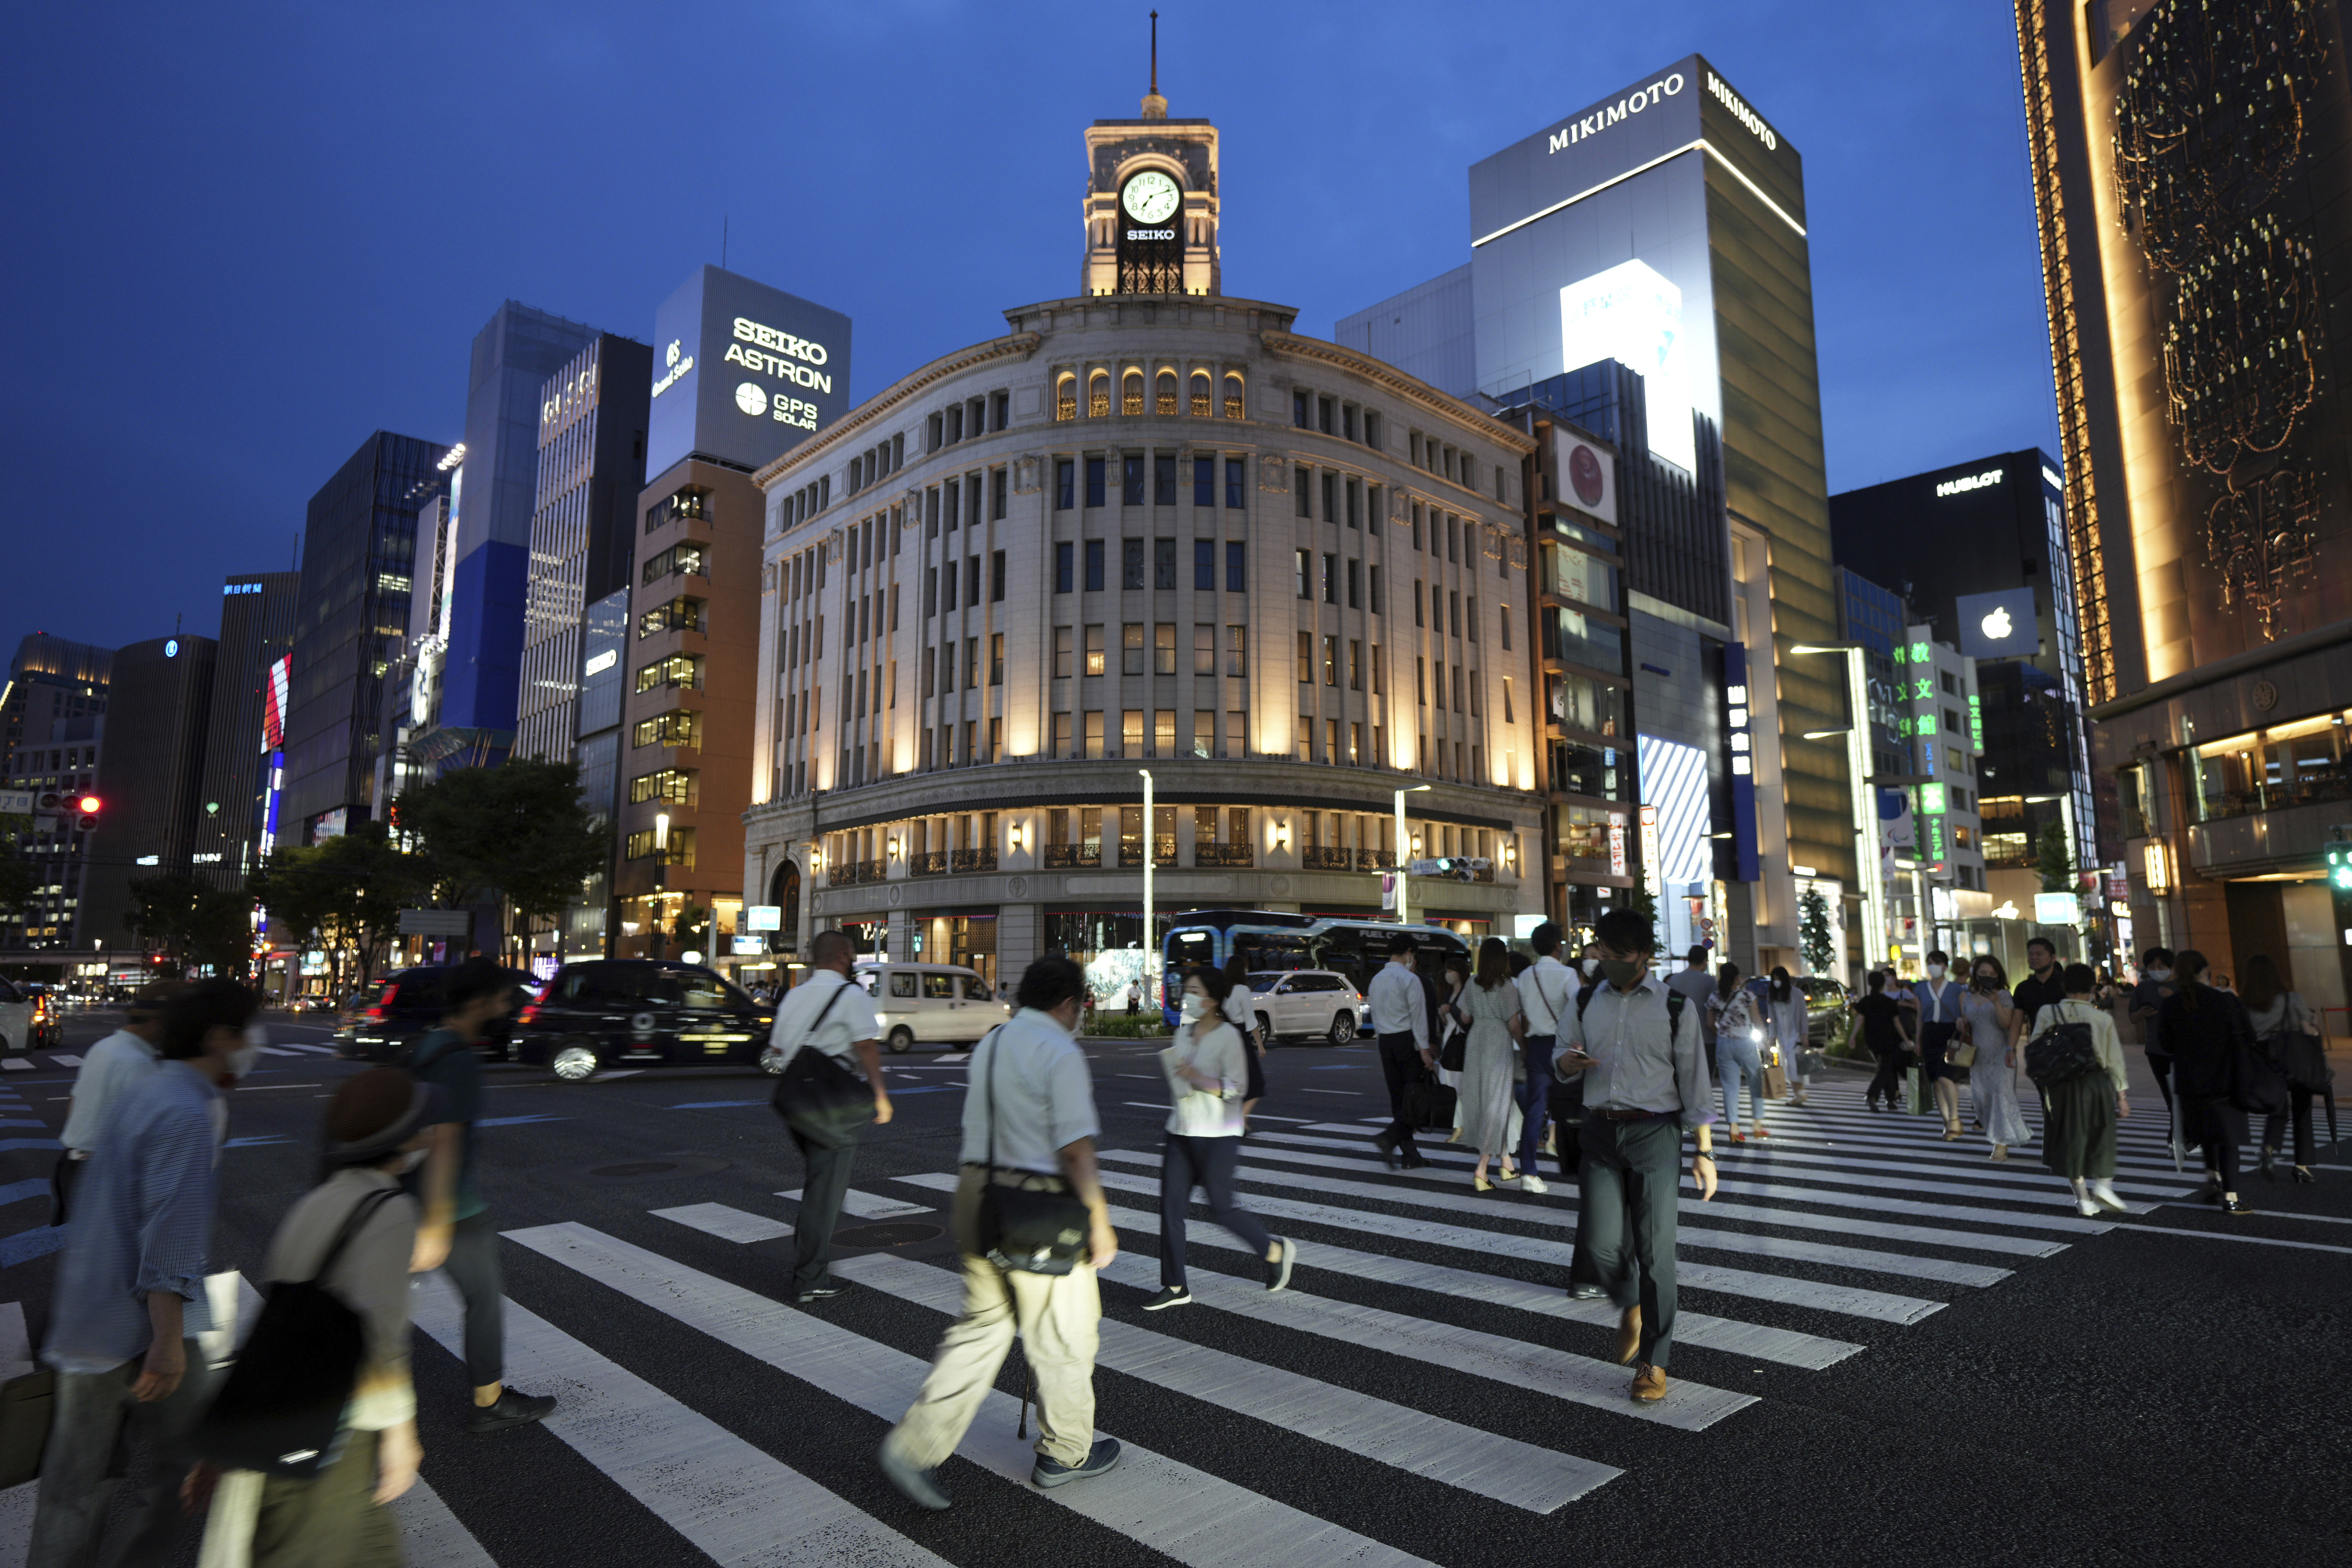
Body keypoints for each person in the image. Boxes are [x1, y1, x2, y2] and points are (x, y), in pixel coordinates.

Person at [31, 979, 259, 1568]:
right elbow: (170, 1233)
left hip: (88, 1313)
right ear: (219, 1037)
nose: (252, 1042)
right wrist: (166, 1343)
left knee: (76, 1483)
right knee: (185, 1459)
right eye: (245, 1030)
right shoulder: (189, 1109)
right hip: (146, 1326)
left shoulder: (147, 1087)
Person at [877, 956, 1120, 1508]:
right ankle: (1065, 1452)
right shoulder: (1059, 1051)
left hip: (974, 1194)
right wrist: (1100, 1226)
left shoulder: (992, 1044)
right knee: (1065, 1333)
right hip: (1036, 1205)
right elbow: (1077, 1150)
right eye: (1080, 1006)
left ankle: (914, 1448)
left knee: (983, 1326)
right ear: (1068, 1004)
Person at [202, 1069, 443, 1565]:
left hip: (285, 1413)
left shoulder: (316, 1201)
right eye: (423, 1124)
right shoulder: (390, 1210)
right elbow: (383, 1340)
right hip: (331, 1430)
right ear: (403, 1138)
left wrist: (223, 1441)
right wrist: (402, 1436)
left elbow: (274, 1322)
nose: (432, 1134)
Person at [1553, 909, 1715, 1404]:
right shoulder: (1584, 999)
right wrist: (1568, 1062)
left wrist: (1704, 1152)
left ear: (1645, 955)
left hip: (1656, 1135)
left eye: (1621, 955)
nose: (1610, 962)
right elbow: (1559, 1056)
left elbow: (1695, 1083)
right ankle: (1631, 1303)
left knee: (1655, 1253)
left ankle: (1654, 1362)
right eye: (1604, 952)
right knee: (1600, 1245)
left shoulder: (1675, 1008)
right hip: (1600, 1131)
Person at [405, 958, 558, 1433]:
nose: (509, 1003)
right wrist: (434, 1224)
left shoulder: (429, 1044)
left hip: (400, 1194)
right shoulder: (458, 1060)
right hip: (451, 1208)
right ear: (477, 1003)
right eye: (501, 996)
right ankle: (488, 1401)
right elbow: (445, 1139)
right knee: (485, 1298)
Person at [1145, 967, 1293, 1309]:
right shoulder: (1184, 1032)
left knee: (1222, 1207)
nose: (1187, 996)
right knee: (1171, 1209)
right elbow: (1181, 1075)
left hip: (1218, 1134)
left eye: (1194, 990)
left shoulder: (1228, 1036)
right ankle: (1175, 1286)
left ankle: (1274, 1250)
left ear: (1211, 1000)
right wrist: (1179, 1075)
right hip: (1180, 1130)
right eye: (1187, 989)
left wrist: (1201, 1080)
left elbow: (1238, 1088)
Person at [765, 929, 893, 1303]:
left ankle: (811, 1265)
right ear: (841, 955)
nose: (852, 960)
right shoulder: (850, 994)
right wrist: (881, 1097)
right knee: (824, 1195)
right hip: (830, 1105)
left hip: (796, 1104)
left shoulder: (795, 995)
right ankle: (810, 1279)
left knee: (820, 1187)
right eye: (851, 954)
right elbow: (866, 1046)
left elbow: (776, 1047)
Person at [54, 980, 178, 1224]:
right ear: (159, 1022)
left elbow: (74, 1102)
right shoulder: (141, 1063)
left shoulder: (104, 1047)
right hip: (104, 1177)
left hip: (73, 1167)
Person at [2156, 950, 2254, 1212]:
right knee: (2228, 1139)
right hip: (2224, 1079)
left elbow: (2164, 1043)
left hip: (2189, 1082)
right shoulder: (2223, 1001)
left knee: (2208, 1134)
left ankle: (2212, 1178)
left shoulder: (2172, 1004)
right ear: (2206, 970)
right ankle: (2231, 1197)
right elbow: (2248, 1035)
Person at [2035, 963, 2131, 1217]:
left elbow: (2036, 1048)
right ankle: (2103, 1186)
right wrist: (2121, 1096)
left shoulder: (2047, 1012)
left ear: (2064, 987)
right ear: (2093, 989)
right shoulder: (2102, 1018)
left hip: (2060, 1085)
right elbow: (2114, 1060)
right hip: (2094, 1082)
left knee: (2070, 1140)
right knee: (2103, 1135)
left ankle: (2083, 1201)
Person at [1457, 938, 1532, 1192]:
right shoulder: (1507, 986)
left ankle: (1507, 1165)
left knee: (1498, 1101)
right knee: (1496, 1104)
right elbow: (1514, 1025)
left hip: (1477, 1041)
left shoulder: (1471, 983)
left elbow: (1465, 1018)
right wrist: (1525, 1048)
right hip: (1498, 1043)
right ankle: (1482, 1169)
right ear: (1503, 959)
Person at [2238, 953, 2319, 1184]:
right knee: (2302, 1109)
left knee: (2278, 1106)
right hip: (2294, 1058)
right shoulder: (2292, 999)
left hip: (2263, 1060)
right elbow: (2308, 1031)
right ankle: (2302, 1165)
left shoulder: (2244, 1003)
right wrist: (2315, 1028)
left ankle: (2269, 1149)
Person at [1515, 922, 1576, 1184]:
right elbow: (1578, 1012)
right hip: (1564, 1047)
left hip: (1537, 1046)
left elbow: (1522, 1015)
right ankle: (1576, 1164)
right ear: (1557, 945)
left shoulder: (1526, 976)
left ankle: (1529, 1171)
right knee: (1573, 1105)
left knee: (1535, 1110)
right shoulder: (1567, 975)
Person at [1368, 932, 1435, 1170]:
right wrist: (1425, 1052)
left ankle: (1410, 1155)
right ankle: (1389, 1137)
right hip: (1407, 1042)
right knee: (1415, 1102)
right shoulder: (1409, 980)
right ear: (1409, 953)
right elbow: (1418, 1020)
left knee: (1398, 1100)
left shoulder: (1376, 980)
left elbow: (1376, 1018)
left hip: (1386, 1042)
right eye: (1413, 955)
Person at [1962, 956, 2028, 1159]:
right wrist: (1961, 1023)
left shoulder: (2005, 995)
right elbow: (1968, 1024)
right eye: (1983, 974)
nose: (1987, 978)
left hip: (2001, 1053)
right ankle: (2000, 1134)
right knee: (1981, 1099)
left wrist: (1996, 1002)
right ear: (1975, 974)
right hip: (1978, 1055)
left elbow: (2006, 1024)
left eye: (1992, 974)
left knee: (2002, 1097)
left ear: (1998, 976)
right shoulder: (1966, 997)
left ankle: (2001, 1144)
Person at [2127, 946, 2180, 1151]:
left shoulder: (2182, 986)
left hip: (2183, 1049)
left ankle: (2178, 1135)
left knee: (2184, 1095)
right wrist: (2143, 1013)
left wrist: (2171, 1000)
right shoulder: (2143, 989)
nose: (2156, 970)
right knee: (2170, 1096)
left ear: (2171, 967)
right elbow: (2133, 1018)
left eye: (2161, 966)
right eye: (2152, 966)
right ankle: (2177, 1135)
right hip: (2156, 1048)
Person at [1913, 950, 1966, 1140]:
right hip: (1930, 1034)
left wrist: (1963, 1023)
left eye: (1936, 963)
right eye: (1929, 963)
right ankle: (1947, 1122)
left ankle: (1954, 1119)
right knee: (1936, 1080)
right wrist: (1917, 1041)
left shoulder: (1956, 989)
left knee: (1946, 1076)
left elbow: (1964, 1013)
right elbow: (1920, 1018)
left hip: (1950, 1033)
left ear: (1945, 966)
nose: (1932, 966)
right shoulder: (1920, 989)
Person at [1711, 963, 1768, 1142]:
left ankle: (1734, 1129)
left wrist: (1723, 1034)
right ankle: (1757, 1125)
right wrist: (1766, 1043)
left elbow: (1709, 1024)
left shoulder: (1715, 997)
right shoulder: (1748, 996)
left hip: (1723, 1044)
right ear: (1738, 978)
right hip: (1745, 1042)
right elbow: (1757, 1021)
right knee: (1755, 1081)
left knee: (1730, 1087)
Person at [1852, 971, 1916, 1112]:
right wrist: (1907, 1040)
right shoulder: (1889, 1003)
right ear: (1882, 984)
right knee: (1886, 1069)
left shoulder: (1866, 1001)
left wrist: (1853, 1037)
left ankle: (1891, 1099)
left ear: (1869, 984)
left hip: (1872, 1040)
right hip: (1888, 1039)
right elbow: (1897, 1024)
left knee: (1887, 1067)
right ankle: (1872, 1095)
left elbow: (1860, 1020)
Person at [1219, 950, 1265, 1118]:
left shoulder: (1223, 989)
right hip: (1239, 1037)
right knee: (1255, 1082)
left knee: (1230, 1080)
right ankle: (1242, 1120)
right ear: (1241, 970)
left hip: (1224, 1034)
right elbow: (1250, 1019)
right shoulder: (1243, 990)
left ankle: (1231, 1119)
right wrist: (1260, 1044)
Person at [2009, 937, 2068, 1049]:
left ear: (2053, 958)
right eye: (2031, 954)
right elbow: (2017, 1022)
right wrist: (2011, 1049)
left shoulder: (2066, 984)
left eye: (2039, 954)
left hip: (2065, 1047)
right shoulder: (2023, 988)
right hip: (2038, 1048)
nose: (2034, 958)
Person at [1765, 967, 1810, 1105]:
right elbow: (1772, 1019)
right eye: (1774, 979)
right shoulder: (1772, 996)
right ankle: (1799, 1094)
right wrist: (1771, 1038)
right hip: (1782, 1037)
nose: (1776, 981)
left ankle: (1799, 1093)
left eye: (1779, 978)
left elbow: (1803, 1016)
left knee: (1795, 1065)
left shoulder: (1797, 994)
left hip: (1795, 1036)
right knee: (1788, 1066)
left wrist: (1804, 1035)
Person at [1666, 946, 1716, 1050]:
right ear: (1704, 961)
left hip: (1679, 1037)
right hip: (1705, 1037)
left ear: (1689, 960)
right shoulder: (1709, 981)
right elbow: (1714, 1010)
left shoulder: (1674, 980)